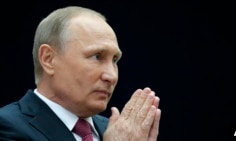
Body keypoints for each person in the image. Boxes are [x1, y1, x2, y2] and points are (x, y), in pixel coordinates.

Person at [0, 6, 161, 141]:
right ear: (48, 59)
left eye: (115, 60)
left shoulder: (119, 132)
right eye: (97, 56)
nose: (111, 76)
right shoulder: (7, 126)